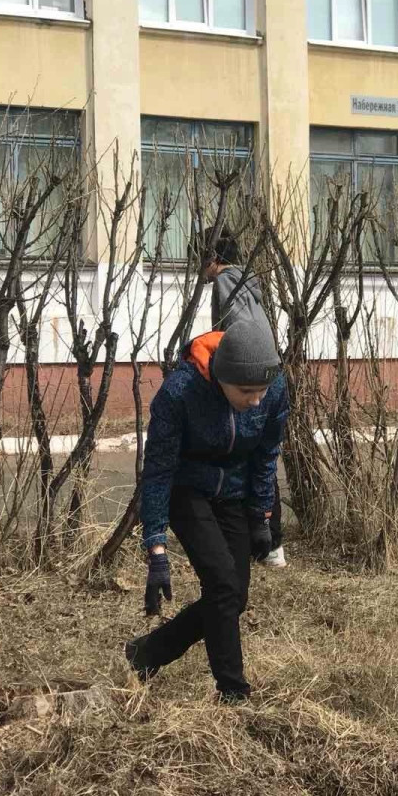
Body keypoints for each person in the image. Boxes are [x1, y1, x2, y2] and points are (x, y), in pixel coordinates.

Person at [124, 321, 288, 703]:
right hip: (188, 490)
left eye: (262, 390)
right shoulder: (180, 393)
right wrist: (157, 548)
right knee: (223, 585)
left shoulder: (276, 389)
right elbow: (159, 471)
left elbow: (266, 456)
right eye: (246, 391)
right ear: (220, 378)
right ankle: (233, 691)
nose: (257, 401)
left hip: (234, 492)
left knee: (234, 597)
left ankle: (147, 652)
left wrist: (263, 516)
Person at [195, 226, 286, 568]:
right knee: (262, 453)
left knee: (251, 454)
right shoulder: (247, 278)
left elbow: (235, 330)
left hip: (248, 375)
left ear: (212, 258)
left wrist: (224, 365)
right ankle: (269, 542)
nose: (197, 269)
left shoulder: (224, 280)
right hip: (268, 369)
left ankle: (268, 541)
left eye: (198, 259)